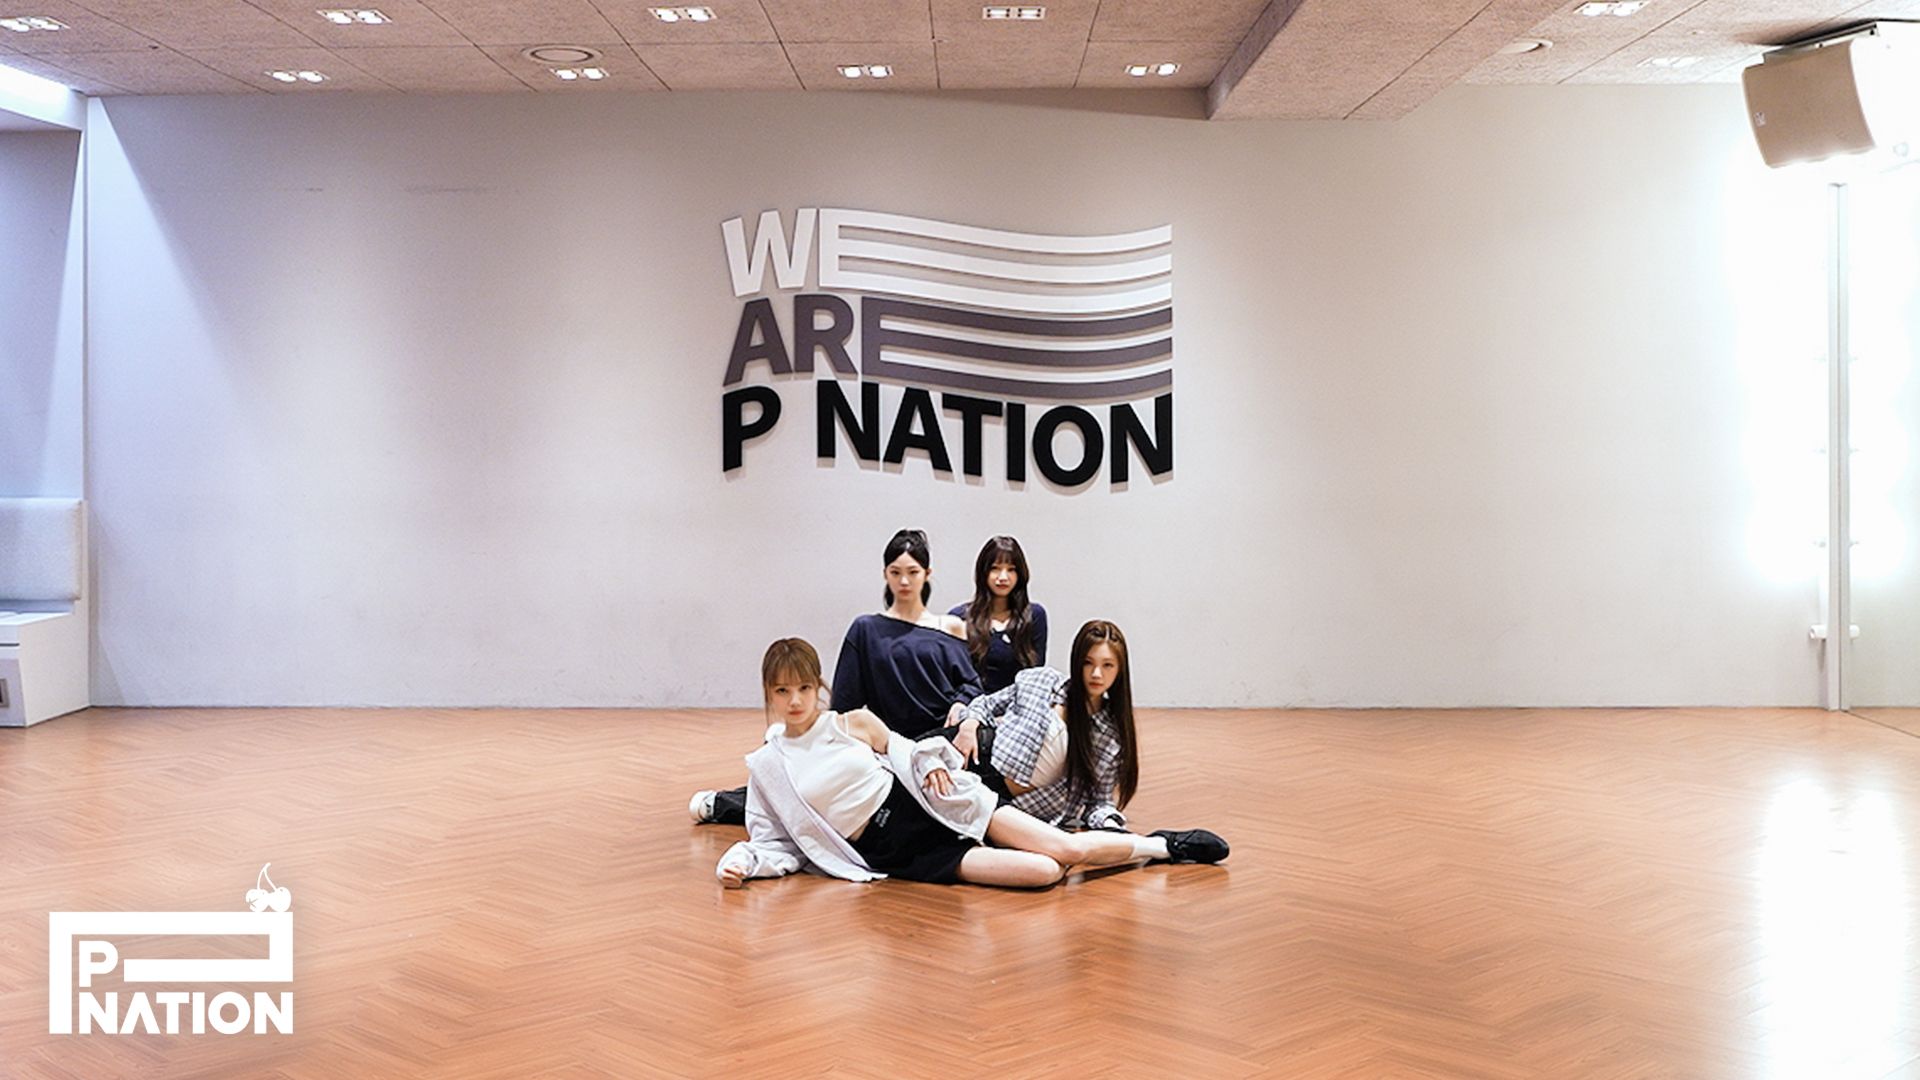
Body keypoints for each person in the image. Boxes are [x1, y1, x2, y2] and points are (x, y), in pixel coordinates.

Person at [715, 638, 1227, 889]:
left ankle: (1164, 846)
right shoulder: (768, 766)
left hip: (938, 800)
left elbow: (907, 749)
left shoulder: (853, 723)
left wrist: (928, 764)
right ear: (768, 693)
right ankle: (1128, 850)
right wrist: (743, 864)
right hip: (897, 850)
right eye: (783, 691)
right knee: (1045, 873)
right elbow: (771, 843)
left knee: (1067, 847)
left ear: (818, 686)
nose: (796, 701)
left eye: (804, 687)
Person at [690, 529, 982, 826]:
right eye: (896, 572)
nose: (904, 581)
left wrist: (961, 703)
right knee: (826, 789)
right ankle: (724, 804)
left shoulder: (951, 626)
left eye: (913, 572)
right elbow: (845, 701)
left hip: (943, 738)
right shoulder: (866, 629)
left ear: (927, 574)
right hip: (889, 743)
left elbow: (971, 684)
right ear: (885, 574)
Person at [944, 619, 1140, 832]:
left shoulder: (1111, 735)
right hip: (973, 756)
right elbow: (985, 704)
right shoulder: (1042, 681)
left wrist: (1111, 825)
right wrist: (969, 725)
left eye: (1107, 665)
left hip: (1008, 806)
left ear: (1120, 669)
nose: (1096, 674)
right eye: (1088, 662)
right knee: (915, 770)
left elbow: (1099, 803)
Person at [948, 535, 1048, 694]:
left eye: (1011, 569)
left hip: (1021, 705)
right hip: (973, 705)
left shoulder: (1034, 616)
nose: (1003, 577)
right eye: (995, 568)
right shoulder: (960, 618)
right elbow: (955, 677)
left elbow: (1036, 675)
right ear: (983, 572)